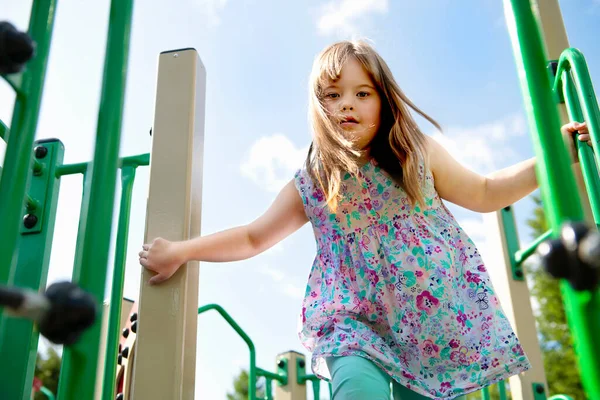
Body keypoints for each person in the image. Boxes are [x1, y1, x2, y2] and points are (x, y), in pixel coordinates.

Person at [138, 40, 591, 399]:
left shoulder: (416, 154)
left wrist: (554, 155)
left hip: (433, 331)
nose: (346, 105)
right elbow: (254, 236)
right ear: (319, 108)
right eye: (332, 96)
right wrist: (182, 251)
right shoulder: (314, 181)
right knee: (357, 389)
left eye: (362, 93)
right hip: (351, 321)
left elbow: (487, 192)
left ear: (383, 100)